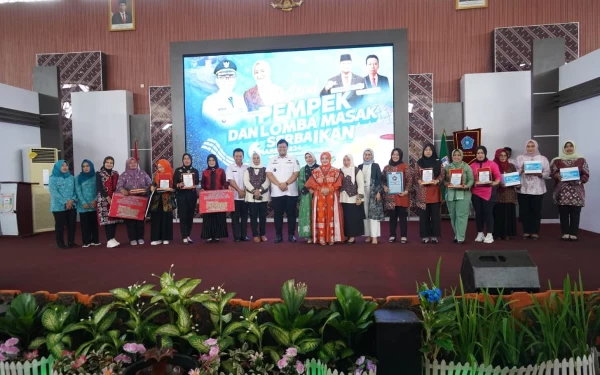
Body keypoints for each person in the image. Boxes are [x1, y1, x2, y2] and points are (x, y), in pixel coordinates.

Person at [550, 140, 590, 241]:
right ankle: (565, 233)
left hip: (576, 190)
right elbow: (553, 173)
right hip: (562, 191)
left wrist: (580, 180)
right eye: (566, 146)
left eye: (570, 146)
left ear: (574, 148)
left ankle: (573, 233)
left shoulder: (581, 160)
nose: (569, 148)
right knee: (563, 213)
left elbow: (586, 174)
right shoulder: (557, 160)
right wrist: (557, 175)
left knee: (575, 213)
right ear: (564, 148)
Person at [305, 152, 344, 245]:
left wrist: (329, 189)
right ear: (320, 160)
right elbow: (310, 183)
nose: (325, 160)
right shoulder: (315, 171)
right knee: (320, 216)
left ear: (330, 159)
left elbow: (338, 183)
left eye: (326, 158)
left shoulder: (336, 171)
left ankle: (331, 237)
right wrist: (320, 188)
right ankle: (321, 238)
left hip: (332, 196)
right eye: (323, 158)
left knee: (331, 215)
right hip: (319, 197)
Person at [266, 139, 300, 243]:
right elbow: (269, 174)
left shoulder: (293, 159)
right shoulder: (272, 159)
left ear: (287, 148)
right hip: (277, 192)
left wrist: (286, 183)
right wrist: (279, 184)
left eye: (284, 147)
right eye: (280, 147)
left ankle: (291, 235)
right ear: (277, 148)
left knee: (291, 215)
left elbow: (296, 173)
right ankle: (278, 235)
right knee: (278, 215)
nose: (282, 149)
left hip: (291, 192)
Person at [515, 140, 550, 240]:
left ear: (536, 147)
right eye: (528, 146)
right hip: (523, 189)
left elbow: (548, 172)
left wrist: (541, 174)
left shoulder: (542, 159)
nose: (530, 148)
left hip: (538, 190)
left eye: (532, 146)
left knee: (536, 211)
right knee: (525, 211)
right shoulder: (520, 158)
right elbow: (515, 173)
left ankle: (534, 231)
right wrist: (521, 169)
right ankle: (526, 231)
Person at [116, 157, 152, 246]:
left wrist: (146, 189)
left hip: (141, 199)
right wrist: (122, 190)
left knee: (140, 220)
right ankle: (132, 238)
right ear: (127, 164)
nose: (133, 164)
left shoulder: (142, 173)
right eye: (131, 163)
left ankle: (140, 237)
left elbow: (150, 183)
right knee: (130, 221)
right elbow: (119, 186)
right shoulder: (123, 175)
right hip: (129, 200)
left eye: (134, 162)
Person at [202, 59, 248, 127]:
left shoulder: (241, 99)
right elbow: (208, 129)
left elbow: (246, 123)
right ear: (217, 80)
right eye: (223, 76)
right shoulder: (209, 103)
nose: (227, 79)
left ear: (235, 80)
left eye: (231, 76)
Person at [470, 146, 501, 244]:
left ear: (485, 153)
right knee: (478, 214)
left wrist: (494, 183)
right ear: (476, 154)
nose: (480, 155)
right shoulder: (472, 166)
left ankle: (489, 234)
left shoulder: (492, 164)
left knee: (488, 214)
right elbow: (470, 180)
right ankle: (480, 233)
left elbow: (498, 177)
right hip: (476, 193)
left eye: (482, 153)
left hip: (488, 193)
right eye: (478, 153)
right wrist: (474, 183)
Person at [415, 143, 445, 244]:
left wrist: (437, 181)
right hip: (423, 193)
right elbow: (416, 175)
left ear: (433, 151)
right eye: (426, 149)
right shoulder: (419, 162)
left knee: (435, 216)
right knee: (424, 217)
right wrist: (419, 180)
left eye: (430, 150)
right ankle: (425, 236)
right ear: (423, 151)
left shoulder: (438, 162)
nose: (428, 151)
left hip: (434, 192)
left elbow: (442, 174)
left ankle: (435, 236)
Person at [382, 148, 412, 244]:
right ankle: (392, 235)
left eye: (397, 155)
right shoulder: (386, 168)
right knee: (392, 217)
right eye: (393, 154)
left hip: (401, 196)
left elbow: (409, 180)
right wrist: (384, 187)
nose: (395, 156)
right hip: (391, 197)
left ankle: (403, 236)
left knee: (403, 217)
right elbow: (383, 180)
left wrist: (406, 191)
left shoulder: (405, 166)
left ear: (400, 156)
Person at [445, 149, 474, 244]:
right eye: (454, 155)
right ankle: (457, 234)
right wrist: (446, 183)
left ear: (462, 156)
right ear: (452, 156)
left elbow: (471, 180)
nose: (456, 157)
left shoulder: (466, 167)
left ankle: (461, 237)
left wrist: (467, 186)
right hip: (451, 194)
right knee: (453, 216)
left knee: (461, 216)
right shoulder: (447, 167)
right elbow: (444, 180)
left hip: (464, 194)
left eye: (458, 155)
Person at [49, 160, 77, 249]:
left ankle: (71, 242)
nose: (65, 167)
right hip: (58, 206)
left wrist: (72, 200)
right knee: (60, 225)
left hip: (72, 205)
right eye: (62, 166)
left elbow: (75, 191)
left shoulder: (72, 178)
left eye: (66, 165)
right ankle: (60, 243)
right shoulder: (52, 178)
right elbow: (54, 193)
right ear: (57, 167)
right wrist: (66, 202)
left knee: (72, 225)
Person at [358, 148, 384, 244]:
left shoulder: (375, 166)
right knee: (365, 213)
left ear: (372, 156)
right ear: (363, 156)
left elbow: (379, 180)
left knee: (373, 214)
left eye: (369, 154)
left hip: (373, 191)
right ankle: (368, 235)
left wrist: (379, 192)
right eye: (366, 154)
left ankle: (374, 236)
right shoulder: (360, 166)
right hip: (362, 191)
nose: (367, 156)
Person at [200, 154, 229, 242]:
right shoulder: (205, 172)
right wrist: (202, 189)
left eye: (213, 160)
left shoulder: (221, 171)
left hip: (219, 197)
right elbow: (203, 185)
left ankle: (217, 234)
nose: (211, 162)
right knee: (208, 217)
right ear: (207, 162)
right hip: (208, 198)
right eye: (209, 160)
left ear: (216, 161)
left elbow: (224, 183)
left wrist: (227, 189)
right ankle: (208, 235)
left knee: (218, 216)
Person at [243, 151, 270, 242]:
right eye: (254, 158)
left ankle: (262, 234)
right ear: (251, 159)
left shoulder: (265, 169)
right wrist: (255, 191)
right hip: (252, 197)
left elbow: (267, 181)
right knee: (253, 216)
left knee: (263, 216)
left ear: (260, 159)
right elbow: (246, 182)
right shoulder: (248, 170)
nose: (256, 160)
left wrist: (260, 190)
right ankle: (255, 235)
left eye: (258, 158)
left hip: (263, 196)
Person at [173, 153, 200, 244]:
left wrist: (193, 185)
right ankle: (184, 235)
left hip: (192, 196)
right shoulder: (178, 170)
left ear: (191, 160)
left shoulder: (195, 171)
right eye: (185, 158)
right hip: (181, 196)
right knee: (183, 216)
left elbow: (196, 182)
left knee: (190, 216)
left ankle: (188, 235)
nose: (186, 160)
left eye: (188, 158)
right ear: (182, 160)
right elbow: (174, 183)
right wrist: (179, 184)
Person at [493, 148, 519, 240]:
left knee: (508, 213)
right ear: (497, 155)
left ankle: (508, 233)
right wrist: (498, 183)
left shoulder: (511, 166)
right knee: (498, 214)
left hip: (509, 194)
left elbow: (516, 180)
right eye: (501, 155)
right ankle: (498, 234)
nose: (503, 157)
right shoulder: (493, 165)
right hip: (497, 194)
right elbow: (490, 179)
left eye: (505, 155)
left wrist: (517, 183)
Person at [339, 154, 365, 244]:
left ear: (351, 160)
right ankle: (347, 235)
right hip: (343, 199)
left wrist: (360, 198)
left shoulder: (357, 170)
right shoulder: (340, 171)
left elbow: (361, 186)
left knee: (352, 219)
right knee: (345, 219)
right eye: (344, 160)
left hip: (354, 199)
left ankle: (352, 237)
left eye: (348, 160)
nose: (346, 162)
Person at [96, 156, 121, 248]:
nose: (109, 164)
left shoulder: (116, 173)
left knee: (114, 220)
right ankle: (109, 240)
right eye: (107, 162)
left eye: (111, 162)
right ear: (104, 163)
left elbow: (119, 185)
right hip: (104, 200)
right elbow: (99, 187)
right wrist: (107, 197)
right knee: (107, 221)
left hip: (115, 199)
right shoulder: (99, 173)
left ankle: (112, 238)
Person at [150, 159, 175, 246]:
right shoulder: (156, 175)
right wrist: (152, 187)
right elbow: (153, 185)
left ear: (165, 166)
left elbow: (175, 188)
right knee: (156, 219)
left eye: (161, 167)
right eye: (158, 167)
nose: (160, 169)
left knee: (166, 219)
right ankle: (156, 238)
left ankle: (165, 238)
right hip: (157, 201)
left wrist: (171, 189)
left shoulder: (172, 175)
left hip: (167, 200)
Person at [75, 159, 100, 248]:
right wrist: (83, 202)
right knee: (85, 224)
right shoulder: (78, 177)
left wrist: (95, 200)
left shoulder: (96, 176)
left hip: (93, 204)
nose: (85, 168)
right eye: (84, 166)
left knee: (94, 223)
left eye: (87, 166)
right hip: (83, 205)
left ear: (91, 166)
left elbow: (99, 190)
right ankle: (86, 241)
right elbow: (78, 191)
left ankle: (95, 240)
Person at [226, 148, 249, 242]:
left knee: (244, 217)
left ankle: (244, 235)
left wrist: (244, 191)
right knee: (235, 217)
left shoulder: (247, 167)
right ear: (233, 157)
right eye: (236, 156)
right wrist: (239, 191)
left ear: (243, 156)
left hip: (245, 196)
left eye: (240, 156)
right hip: (234, 196)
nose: (238, 158)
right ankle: (237, 236)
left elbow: (250, 181)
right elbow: (230, 180)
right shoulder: (230, 167)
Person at [297, 152, 319, 243]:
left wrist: (316, 189)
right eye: (306, 157)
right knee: (307, 212)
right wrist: (308, 189)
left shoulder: (320, 168)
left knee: (318, 213)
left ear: (313, 157)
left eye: (310, 157)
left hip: (318, 194)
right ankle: (308, 235)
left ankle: (319, 234)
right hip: (306, 196)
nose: (308, 159)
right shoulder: (303, 169)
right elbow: (300, 182)